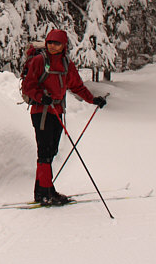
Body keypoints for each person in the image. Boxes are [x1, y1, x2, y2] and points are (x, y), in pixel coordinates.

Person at [21, 29, 107, 206]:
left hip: (58, 111)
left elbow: (77, 87)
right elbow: (28, 87)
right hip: (41, 112)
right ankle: (46, 193)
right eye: (50, 42)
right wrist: (40, 97)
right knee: (44, 152)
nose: (53, 46)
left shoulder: (67, 64)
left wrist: (93, 99)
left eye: (57, 43)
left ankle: (44, 190)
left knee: (51, 152)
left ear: (64, 45)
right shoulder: (39, 61)